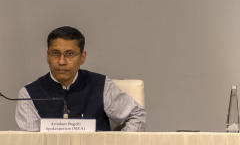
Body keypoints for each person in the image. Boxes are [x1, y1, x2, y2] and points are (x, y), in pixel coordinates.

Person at [16, 26, 146, 131]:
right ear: (47, 56)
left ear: (82, 57)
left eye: (69, 54)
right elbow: (31, 144)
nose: (61, 61)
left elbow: (136, 116)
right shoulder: (29, 94)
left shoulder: (101, 86)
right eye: (55, 54)